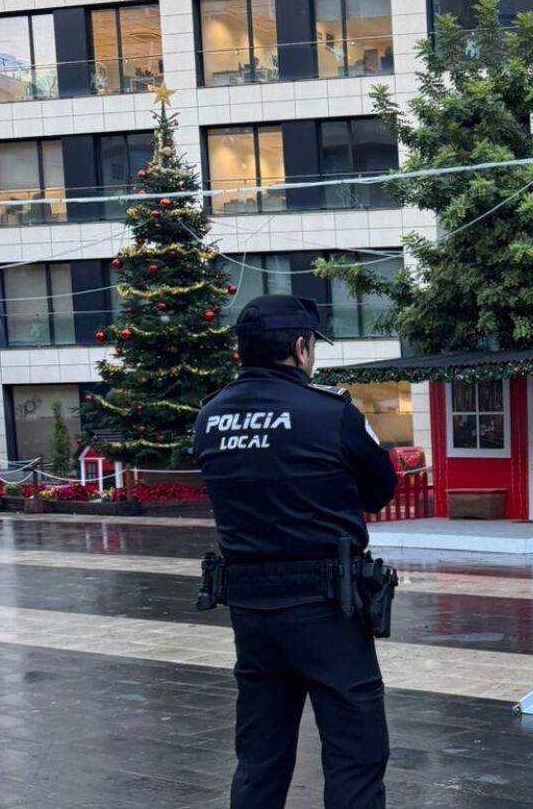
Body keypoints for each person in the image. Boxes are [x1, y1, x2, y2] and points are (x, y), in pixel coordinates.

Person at [192, 294, 398, 809]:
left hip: (250, 610)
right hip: (326, 608)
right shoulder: (330, 413)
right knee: (355, 753)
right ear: (301, 348)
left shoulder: (210, 416)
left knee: (260, 759)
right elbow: (380, 490)